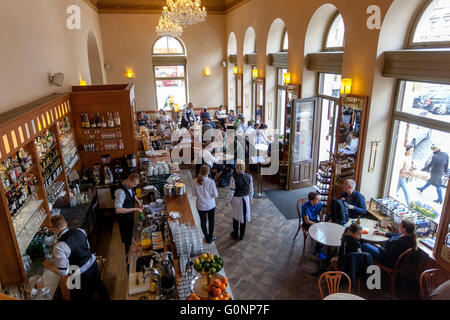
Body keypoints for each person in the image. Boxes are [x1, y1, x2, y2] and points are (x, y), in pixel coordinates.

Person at [43, 215, 110, 300]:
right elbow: (87, 248)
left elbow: (63, 271)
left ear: (53, 229)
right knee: (100, 287)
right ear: (66, 223)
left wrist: (50, 266)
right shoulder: (80, 230)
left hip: (79, 275)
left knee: (78, 297)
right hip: (93, 264)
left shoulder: (59, 246)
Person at [114, 173, 143, 255]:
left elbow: (132, 194)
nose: (135, 186)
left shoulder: (127, 184)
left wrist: (139, 202)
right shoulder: (120, 192)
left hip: (129, 215)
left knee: (131, 234)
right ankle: (128, 255)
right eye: (134, 184)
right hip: (124, 219)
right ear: (129, 180)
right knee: (127, 239)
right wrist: (135, 209)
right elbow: (118, 210)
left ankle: (132, 248)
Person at [226, 161, 253, 240]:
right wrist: (251, 198)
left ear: (237, 167)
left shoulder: (233, 177)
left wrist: (227, 201)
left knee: (235, 216)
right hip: (245, 199)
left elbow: (231, 191)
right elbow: (251, 189)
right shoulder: (249, 176)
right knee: (243, 217)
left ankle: (235, 233)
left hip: (236, 200)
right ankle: (242, 235)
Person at [192, 165, 219, 243]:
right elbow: (215, 195)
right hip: (210, 205)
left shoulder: (195, 181)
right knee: (211, 221)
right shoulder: (211, 182)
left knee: (203, 222)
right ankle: (210, 237)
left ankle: (206, 236)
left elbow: (193, 194)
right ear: (208, 172)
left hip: (200, 205)